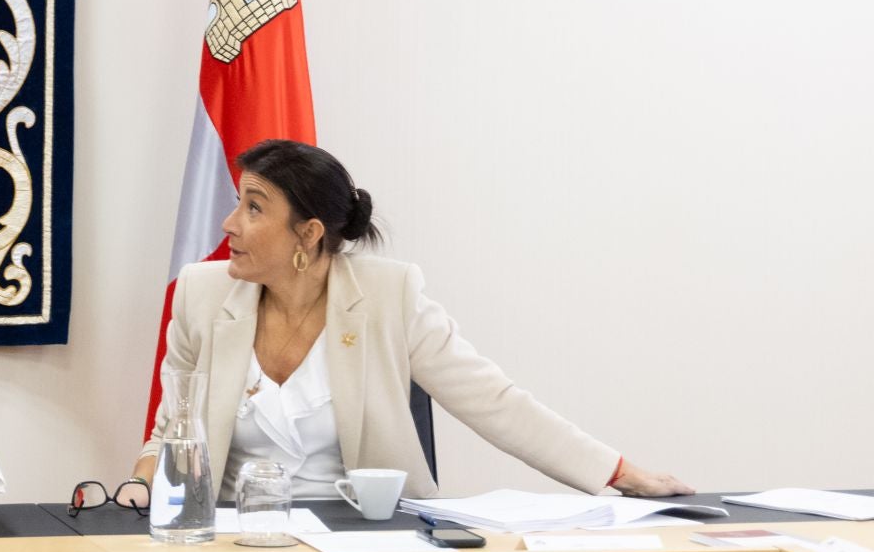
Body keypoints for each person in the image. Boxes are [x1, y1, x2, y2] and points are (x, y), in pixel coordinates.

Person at [132, 139, 690, 500]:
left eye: (253, 207)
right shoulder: (201, 293)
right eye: (238, 202)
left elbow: (492, 399)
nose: (229, 223)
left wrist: (617, 470)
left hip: (367, 542)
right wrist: (137, 487)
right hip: (234, 542)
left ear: (309, 233)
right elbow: (170, 430)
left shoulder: (389, 295)